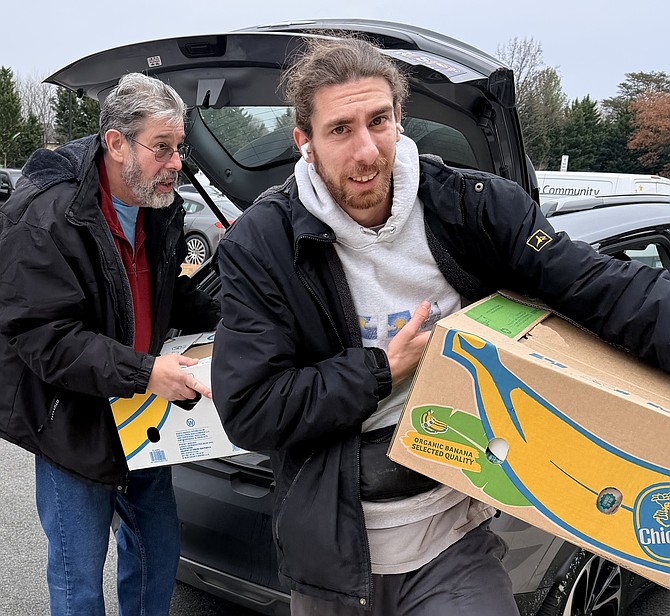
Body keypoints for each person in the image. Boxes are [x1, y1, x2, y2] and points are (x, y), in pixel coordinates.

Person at [210, 37, 670, 616]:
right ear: (303, 141)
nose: (367, 151)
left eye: (379, 121)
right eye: (340, 130)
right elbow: (251, 408)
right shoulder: (264, 243)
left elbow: (603, 288)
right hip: (334, 555)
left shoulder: (472, 209)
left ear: (401, 119)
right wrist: (382, 370)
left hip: (454, 538)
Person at [0, 73, 220, 616]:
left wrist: (234, 310)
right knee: (80, 583)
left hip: (142, 417)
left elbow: (164, 293)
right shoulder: (49, 218)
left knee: (156, 554)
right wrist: (148, 372)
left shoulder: (158, 205)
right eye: (162, 148)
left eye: (180, 148)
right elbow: (45, 338)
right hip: (71, 425)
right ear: (116, 143)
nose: (175, 163)